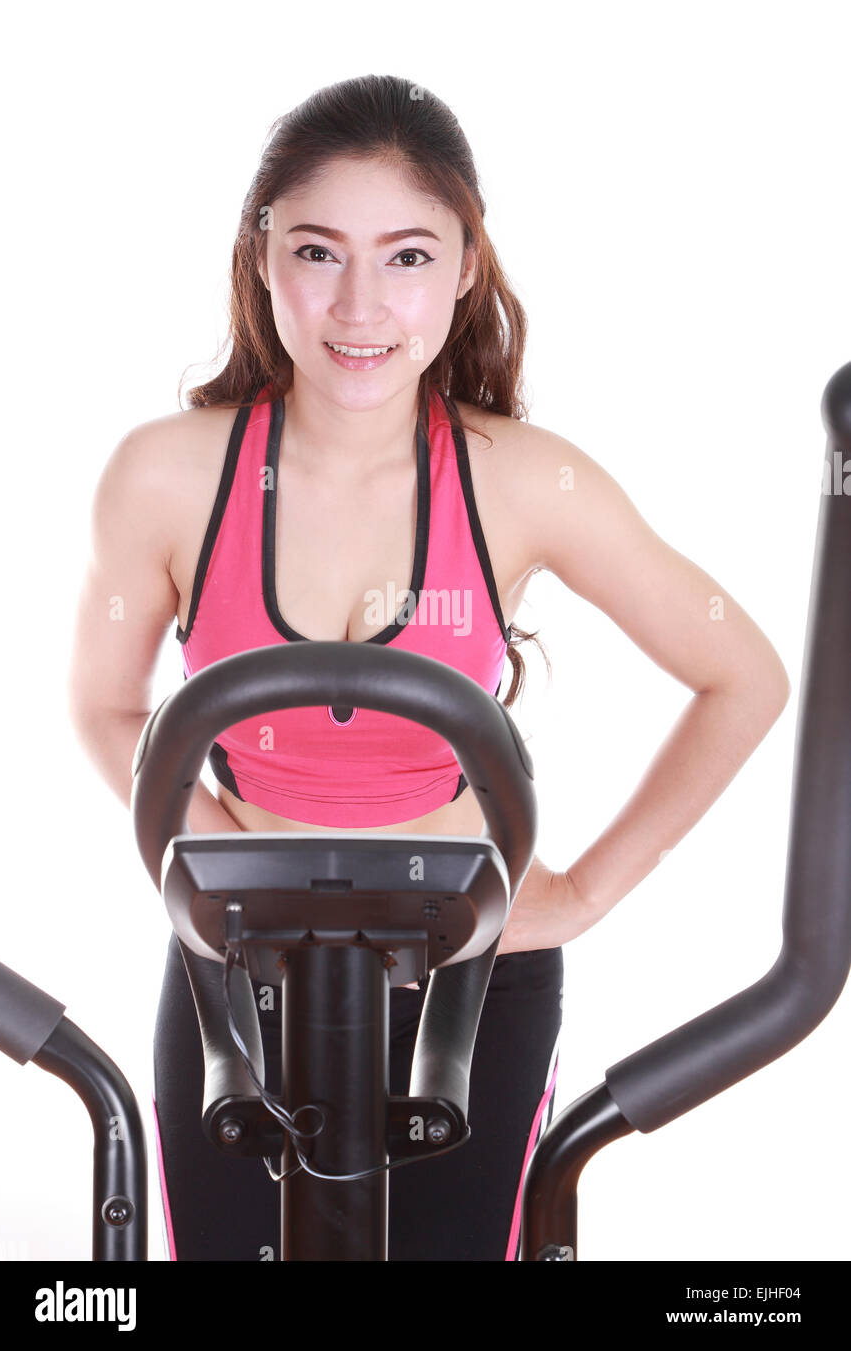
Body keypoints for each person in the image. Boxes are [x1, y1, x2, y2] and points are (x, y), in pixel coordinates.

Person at [66, 74, 790, 1261]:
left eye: (406, 256)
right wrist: (205, 856)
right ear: (261, 258)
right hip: (235, 971)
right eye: (317, 251)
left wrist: (581, 895)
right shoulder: (162, 475)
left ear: (463, 267)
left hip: (469, 969)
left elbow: (741, 674)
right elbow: (103, 704)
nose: (359, 305)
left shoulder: (523, 478)